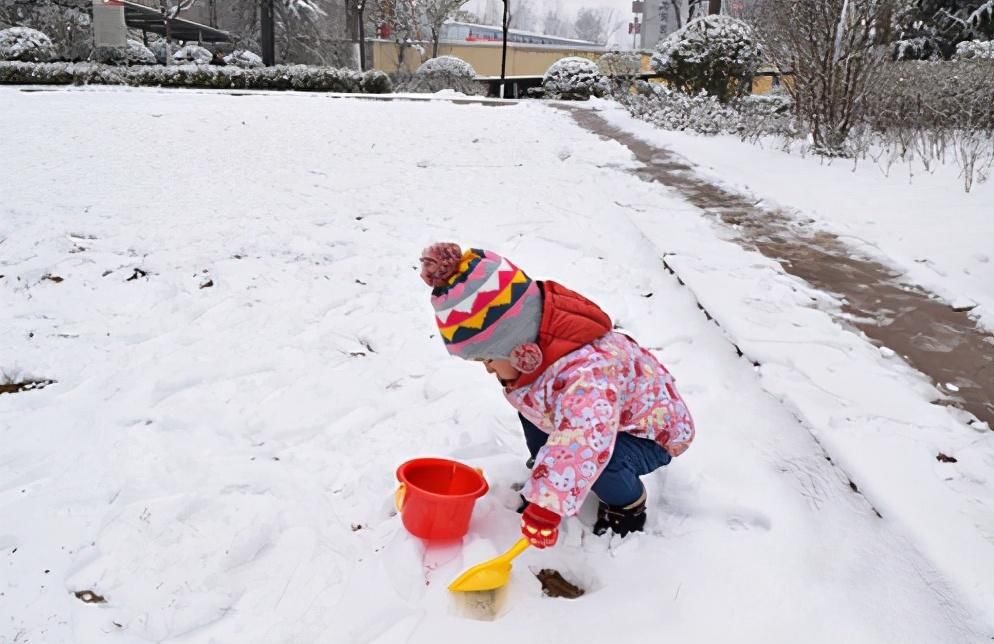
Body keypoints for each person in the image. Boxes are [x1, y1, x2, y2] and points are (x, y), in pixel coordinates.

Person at [419, 243, 695, 548]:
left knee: (603, 460)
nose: (487, 370)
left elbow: (584, 437)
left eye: (488, 359)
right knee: (531, 405)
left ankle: (627, 503)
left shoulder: (586, 376)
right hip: (603, 421)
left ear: (518, 346)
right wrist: (548, 477)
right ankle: (550, 469)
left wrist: (547, 503)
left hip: (649, 434)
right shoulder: (544, 358)